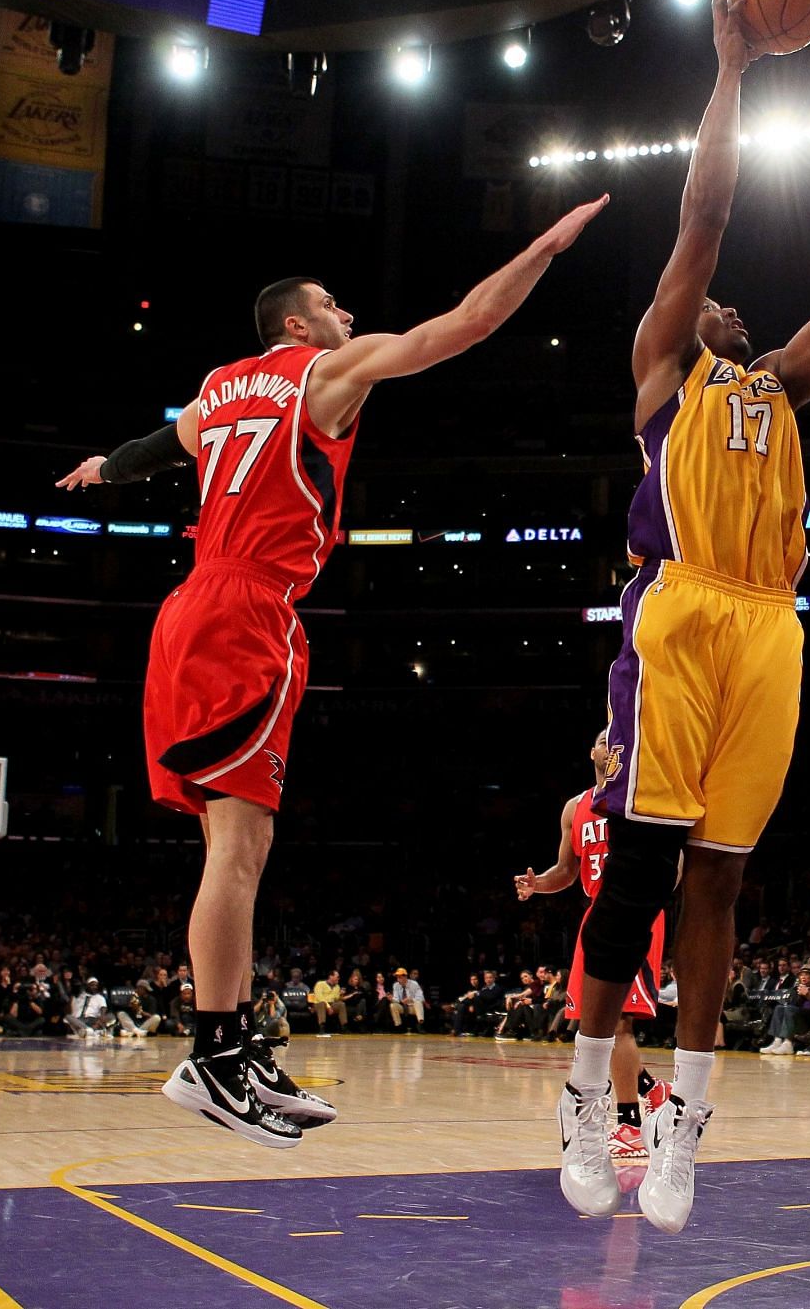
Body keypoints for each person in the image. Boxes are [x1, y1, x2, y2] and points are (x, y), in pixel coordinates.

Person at [56, 198, 607, 1148]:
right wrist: (547, 248)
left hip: (195, 607)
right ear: (298, 326)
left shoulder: (221, 386)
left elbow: (166, 444)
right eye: (335, 305)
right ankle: (215, 1054)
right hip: (246, 610)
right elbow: (461, 327)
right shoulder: (322, 374)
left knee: (240, 846)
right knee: (235, 849)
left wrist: (106, 467)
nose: (351, 315)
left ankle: (228, 1042)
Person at [557, 0, 810, 1238]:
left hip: (772, 626)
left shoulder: (778, 386)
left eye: (726, 299)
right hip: (680, 614)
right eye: (702, 294)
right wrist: (735, 74)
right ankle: (591, 1097)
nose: (721, 296)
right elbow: (704, 207)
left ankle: (684, 1125)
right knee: (638, 871)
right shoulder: (663, 368)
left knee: (721, 885)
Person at [517, 729, 668, 1168]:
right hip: (594, 915)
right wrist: (538, 885)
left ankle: (629, 1125)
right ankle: (648, 1088)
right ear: (593, 751)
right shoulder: (574, 807)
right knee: (594, 1025)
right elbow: (566, 869)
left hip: (635, 911)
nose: (611, 745)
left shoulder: (639, 795)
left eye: (618, 740)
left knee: (618, 1023)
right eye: (605, 739)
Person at [389, 968, 425, 1033]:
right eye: (397, 977)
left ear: (405, 977)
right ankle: (398, 1026)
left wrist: (410, 999)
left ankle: (420, 1022)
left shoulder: (414, 984)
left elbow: (421, 997)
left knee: (418, 1002)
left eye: (400, 977)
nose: (398, 978)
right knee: (392, 1005)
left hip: (413, 1007)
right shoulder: (395, 985)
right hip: (403, 1007)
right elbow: (396, 999)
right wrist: (392, 999)